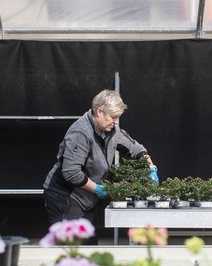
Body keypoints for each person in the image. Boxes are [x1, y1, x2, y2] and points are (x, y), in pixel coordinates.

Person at [43, 89, 158, 230]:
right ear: (99, 111)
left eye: (118, 118)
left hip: (86, 198)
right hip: (65, 197)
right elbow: (71, 172)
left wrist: (151, 169)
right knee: (72, 243)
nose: (116, 122)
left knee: (89, 245)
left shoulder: (113, 131)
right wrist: (97, 189)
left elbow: (136, 149)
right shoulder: (81, 133)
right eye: (113, 117)